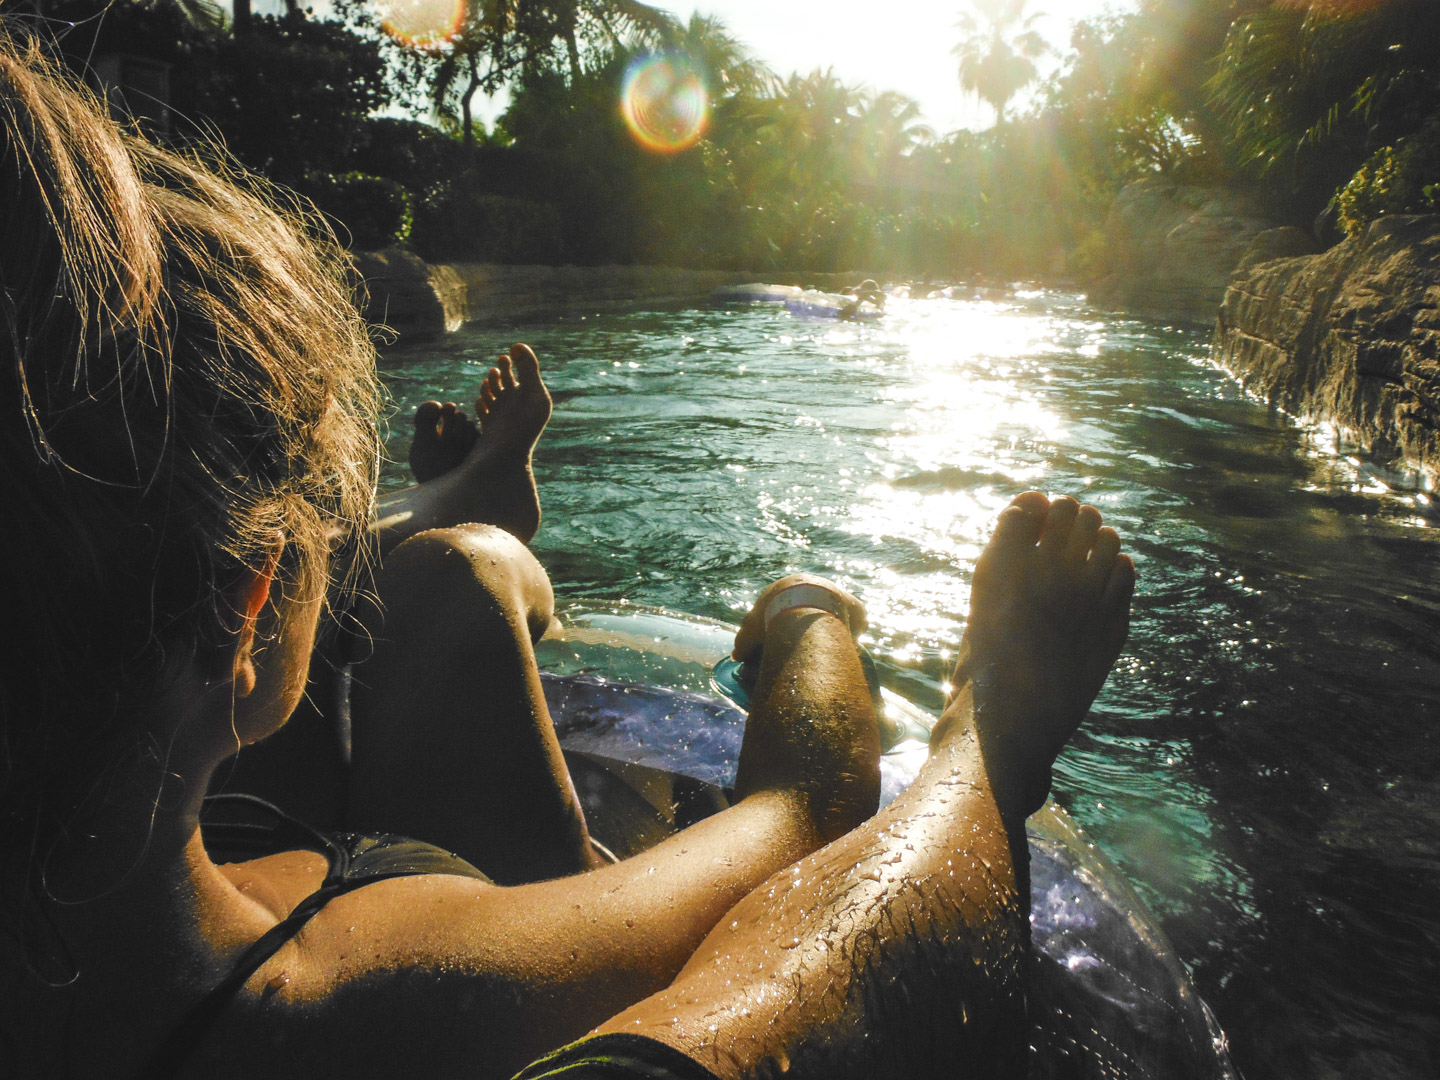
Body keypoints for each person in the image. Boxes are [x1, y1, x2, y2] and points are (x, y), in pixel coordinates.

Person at [0, 29, 1135, 1080]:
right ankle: (479, 511)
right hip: (388, 898)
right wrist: (858, 644)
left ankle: (474, 501)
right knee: (454, 578)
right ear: (243, 611)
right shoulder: (379, 1013)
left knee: (444, 572)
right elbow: (809, 819)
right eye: (304, 554)